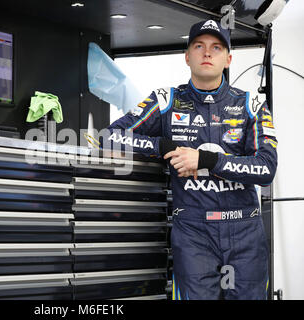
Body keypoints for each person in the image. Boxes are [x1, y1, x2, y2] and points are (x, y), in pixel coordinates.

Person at [103, 19, 278, 300]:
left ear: (228, 58)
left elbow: (267, 168)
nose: (207, 53)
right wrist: (161, 145)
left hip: (245, 230)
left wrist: (207, 160)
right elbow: (108, 137)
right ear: (187, 56)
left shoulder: (251, 105)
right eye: (199, 46)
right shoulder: (165, 101)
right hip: (194, 233)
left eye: (216, 47)